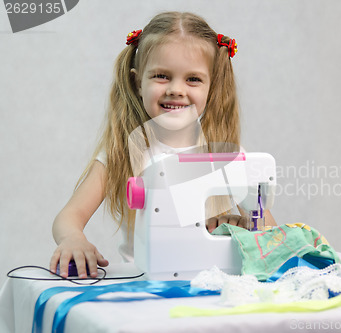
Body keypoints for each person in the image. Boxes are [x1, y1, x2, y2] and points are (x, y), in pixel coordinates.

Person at [50, 11, 275, 279]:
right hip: (146, 283)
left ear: (211, 88)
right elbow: (68, 217)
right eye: (162, 76)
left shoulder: (227, 158)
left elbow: (271, 234)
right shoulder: (122, 154)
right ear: (138, 83)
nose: (176, 89)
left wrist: (245, 227)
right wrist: (73, 238)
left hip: (212, 284)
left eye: (193, 79)